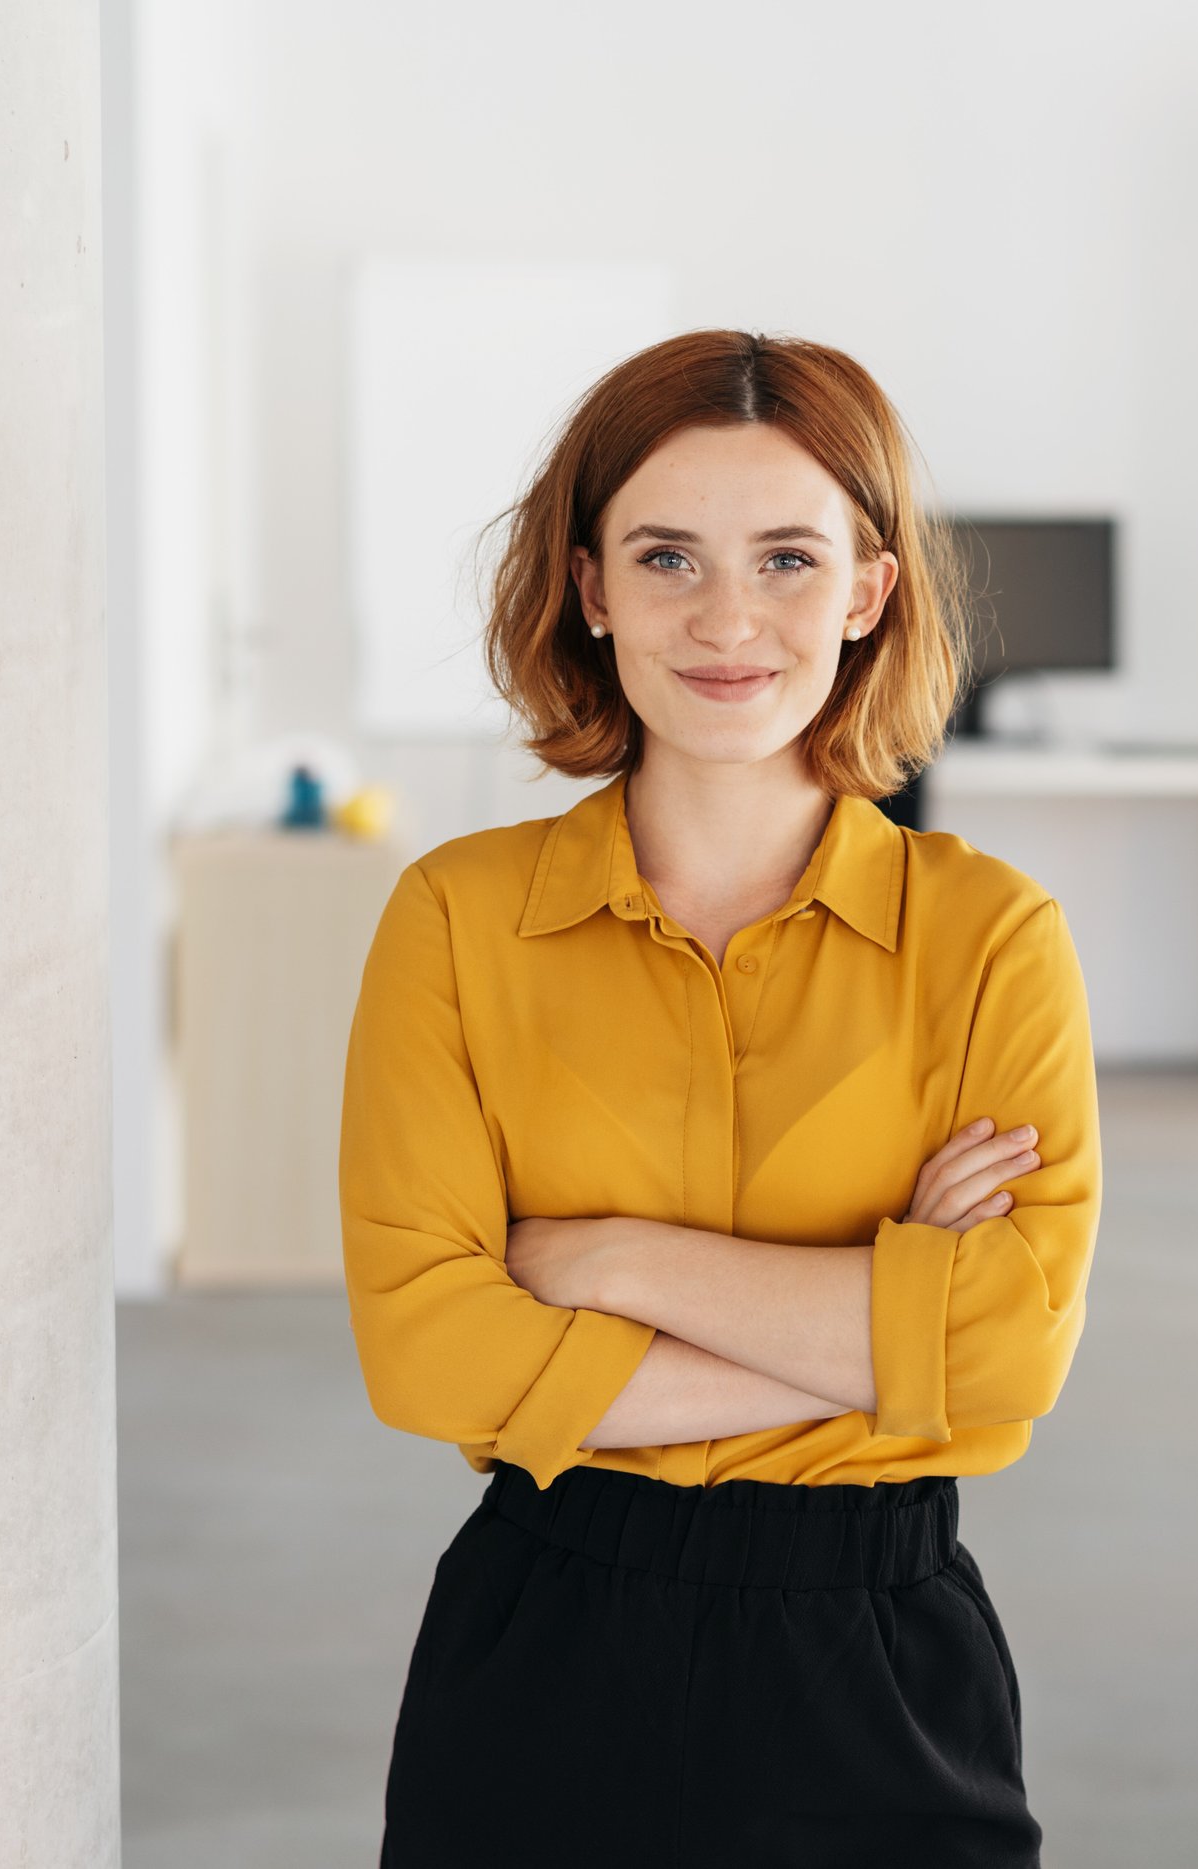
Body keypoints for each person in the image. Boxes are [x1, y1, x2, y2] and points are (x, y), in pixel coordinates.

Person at [337, 329, 1102, 1868]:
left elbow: (1012, 1348)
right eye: (670, 555)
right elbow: (430, 1354)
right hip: (548, 1644)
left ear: (870, 590)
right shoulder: (455, 918)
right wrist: (893, 1338)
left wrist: (613, 1263)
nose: (730, 618)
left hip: (880, 1664)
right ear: (592, 585)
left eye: (789, 558)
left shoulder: (991, 934)